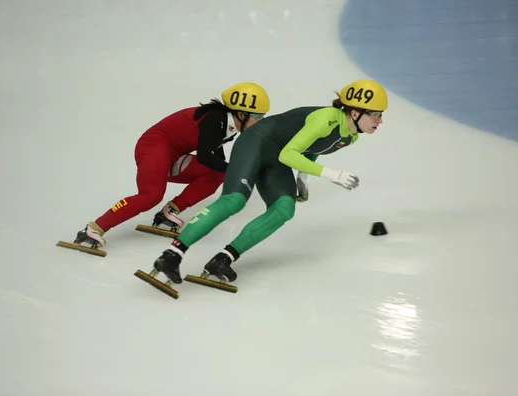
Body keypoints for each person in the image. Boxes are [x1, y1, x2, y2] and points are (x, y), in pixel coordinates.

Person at [149, 79, 388, 285]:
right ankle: (171, 255)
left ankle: (223, 259)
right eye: (375, 114)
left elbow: (312, 148)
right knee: (234, 201)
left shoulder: (351, 136)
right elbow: (289, 155)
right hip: (257, 142)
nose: (379, 121)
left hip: (278, 155)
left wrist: (303, 178)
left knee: (284, 210)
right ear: (355, 113)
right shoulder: (326, 118)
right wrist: (331, 174)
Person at [70, 82, 271, 251]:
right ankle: (95, 227)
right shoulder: (215, 120)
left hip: (173, 154)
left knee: (216, 173)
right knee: (150, 195)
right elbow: (203, 156)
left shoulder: (229, 125)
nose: (260, 122)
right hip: (154, 146)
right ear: (241, 113)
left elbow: (213, 155)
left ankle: (169, 211)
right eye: (258, 117)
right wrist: (235, 169)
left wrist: (230, 169)